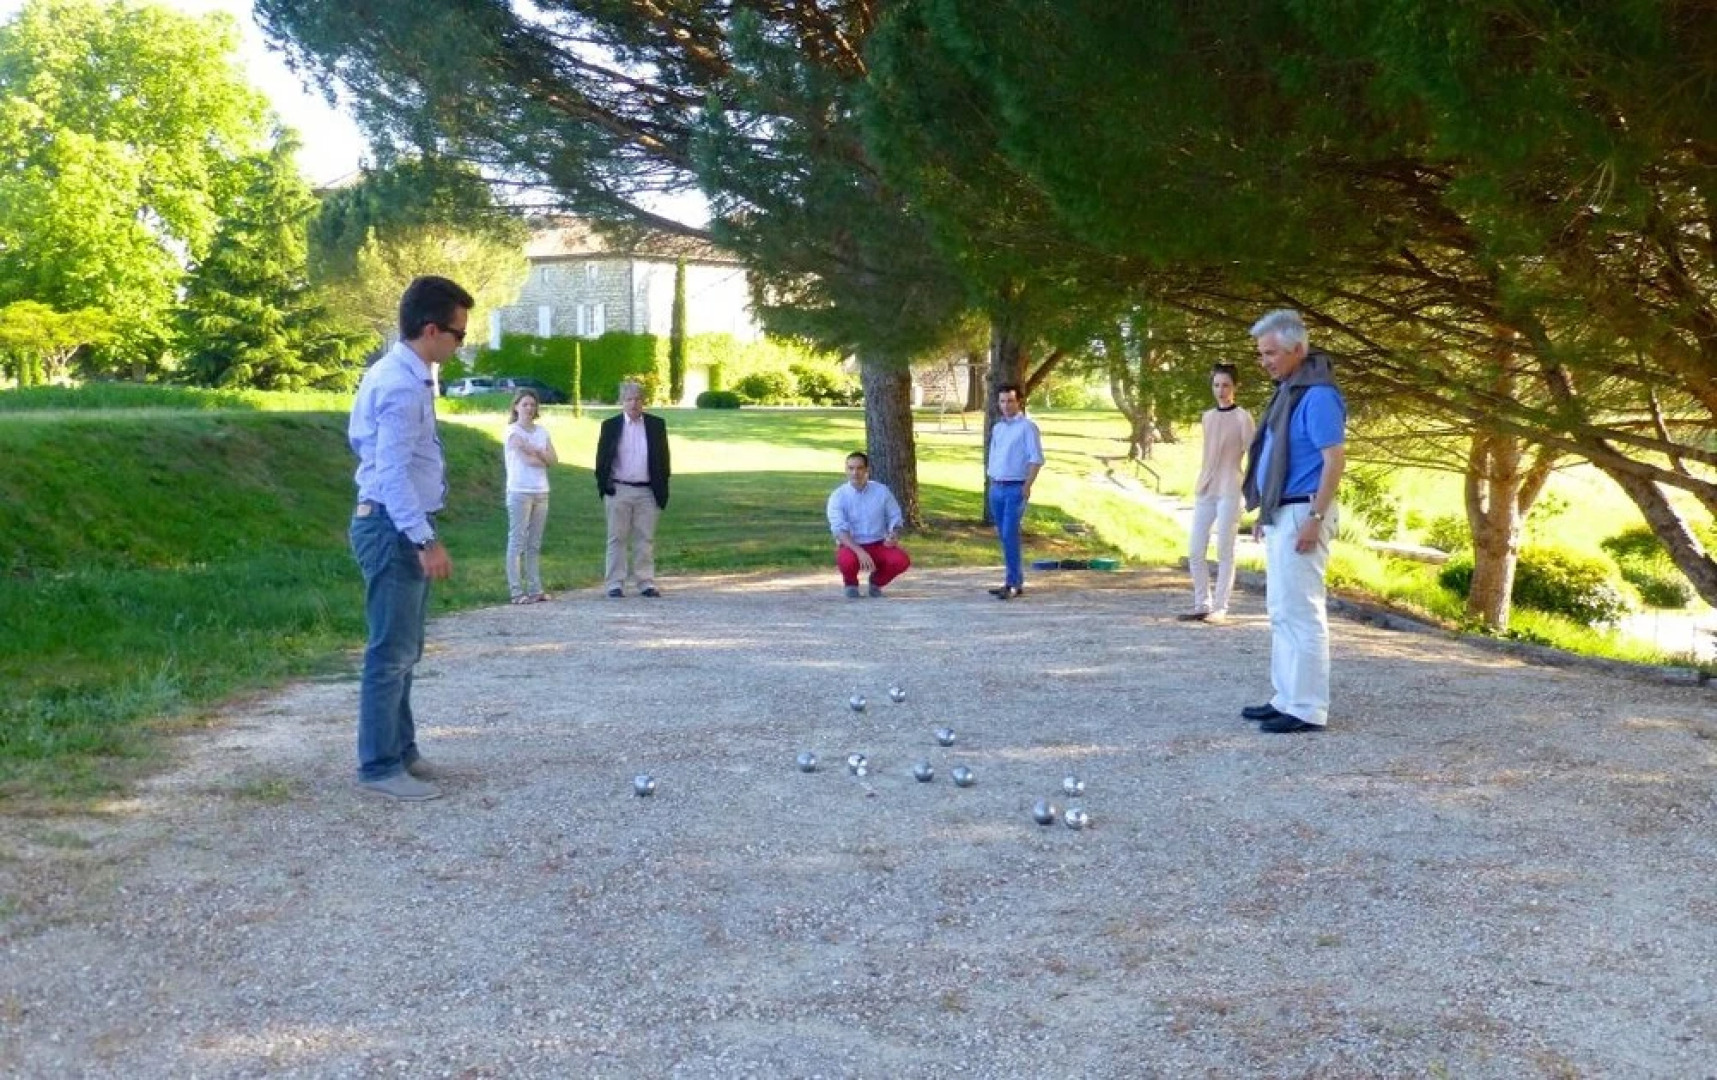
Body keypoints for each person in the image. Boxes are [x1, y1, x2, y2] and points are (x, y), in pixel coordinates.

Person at [347, 274, 474, 800]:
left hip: (395, 523)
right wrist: (425, 539)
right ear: (430, 330)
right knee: (390, 652)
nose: (461, 344)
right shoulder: (399, 385)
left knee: (405, 648)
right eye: (458, 334)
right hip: (393, 527)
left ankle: (403, 752)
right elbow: (391, 473)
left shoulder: (405, 373)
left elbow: (360, 441)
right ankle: (379, 766)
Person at [1240, 310, 1346, 734]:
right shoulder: (1290, 392)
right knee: (1281, 609)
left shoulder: (1318, 395)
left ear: (1297, 350)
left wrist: (1315, 518)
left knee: (1302, 611)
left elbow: (1333, 460)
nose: (1264, 360)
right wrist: (1266, 512)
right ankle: (1285, 696)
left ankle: (1306, 707)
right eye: (1261, 353)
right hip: (1284, 509)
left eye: (1271, 353)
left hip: (1305, 510)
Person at [1180, 363, 1255, 623]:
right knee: (1195, 549)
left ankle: (1221, 606)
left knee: (1225, 549)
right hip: (1206, 487)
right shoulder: (1208, 416)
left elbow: (1253, 454)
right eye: (1216, 385)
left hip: (1230, 489)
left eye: (1226, 385)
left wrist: (1251, 490)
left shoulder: (1243, 417)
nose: (1221, 391)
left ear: (1235, 387)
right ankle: (1202, 602)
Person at [594, 379, 670, 597]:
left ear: (643, 402)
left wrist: (662, 489)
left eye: (637, 399)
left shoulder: (656, 425)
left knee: (645, 538)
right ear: (622, 402)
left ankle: (645, 581)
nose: (634, 404)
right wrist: (605, 487)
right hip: (619, 489)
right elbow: (601, 460)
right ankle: (615, 583)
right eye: (629, 399)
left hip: (647, 491)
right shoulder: (610, 426)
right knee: (616, 537)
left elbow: (664, 460)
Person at [985, 383, 1045, 600]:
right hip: (997, 487)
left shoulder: (1027, 427)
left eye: (1010, 401)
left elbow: (1036, 459)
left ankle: (1013, 582)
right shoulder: (998, 428)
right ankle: (1012, 580)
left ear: (1019, 401)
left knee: (1010, 533)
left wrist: (1027, 486)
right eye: (1002, 401)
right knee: (1004, 535)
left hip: (1015, 487)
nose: (1006, 405)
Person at [826, 450, 910, 598]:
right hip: (851, 545)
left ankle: (876, 583)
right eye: (851, 468)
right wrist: (859, 552)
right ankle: (851, 584)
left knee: (900, 560)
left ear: (867, 470)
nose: (855, 473)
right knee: (846, 560)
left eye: (859, 468)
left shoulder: (882, 491)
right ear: (846, 470)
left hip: (879, 543)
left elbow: (895, 517)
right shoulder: (838, 496)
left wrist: (893, 534)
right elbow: (838, 529)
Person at [504, 388, 558, 604]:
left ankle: (535, 588)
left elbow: (553, 459)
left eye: (532, 405)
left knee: (534, 543)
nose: (528, 408)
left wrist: (533, 449)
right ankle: (516, 590)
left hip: (541, 491)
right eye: (524, 404)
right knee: (517, 541)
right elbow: (530, 462)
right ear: (516, 407)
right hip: (519, 491)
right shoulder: (511, 431)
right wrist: (540, 454)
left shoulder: (542, 432)